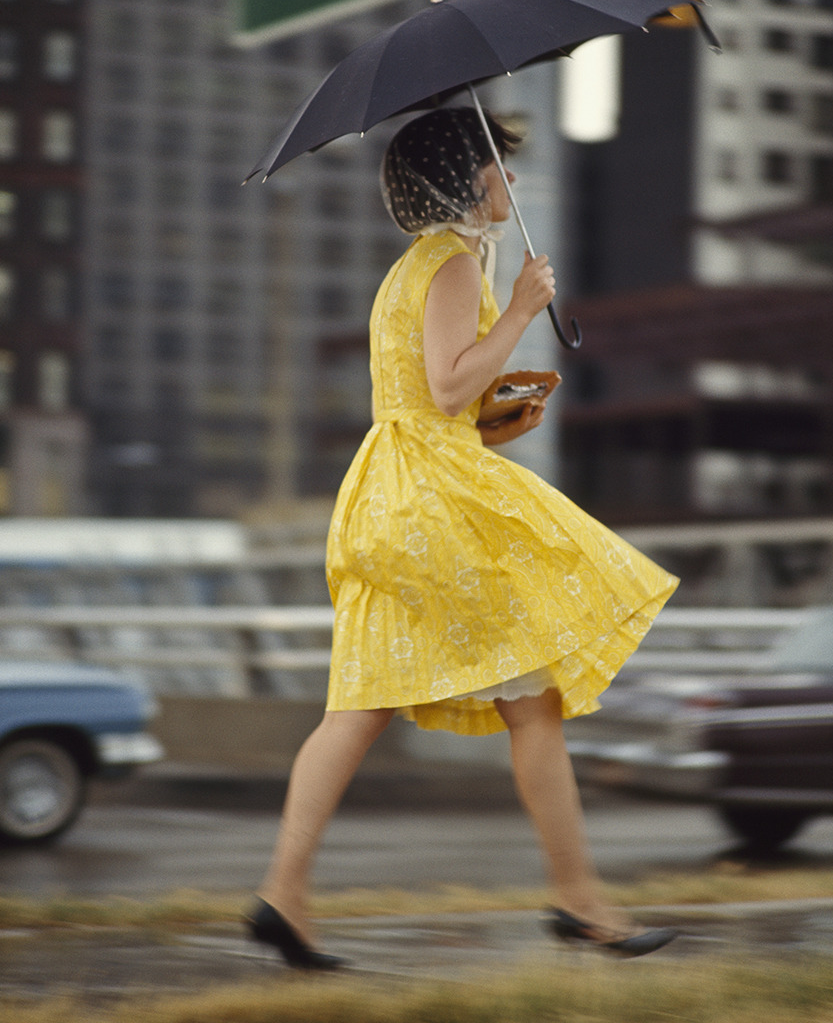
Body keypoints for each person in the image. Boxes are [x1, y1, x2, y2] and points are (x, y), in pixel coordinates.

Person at [247, 107, 680, 970]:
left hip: (393, 495)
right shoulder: (451, 264)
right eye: (497, 168)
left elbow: (440, 405)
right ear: (461, 179)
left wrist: (503, 413)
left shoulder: (419, 266)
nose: (509, 182)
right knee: (534, 705)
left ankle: (282, 897)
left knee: (358, 708)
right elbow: (447, 389)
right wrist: (520, 308)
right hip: (438, 508)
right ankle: (579, 899)